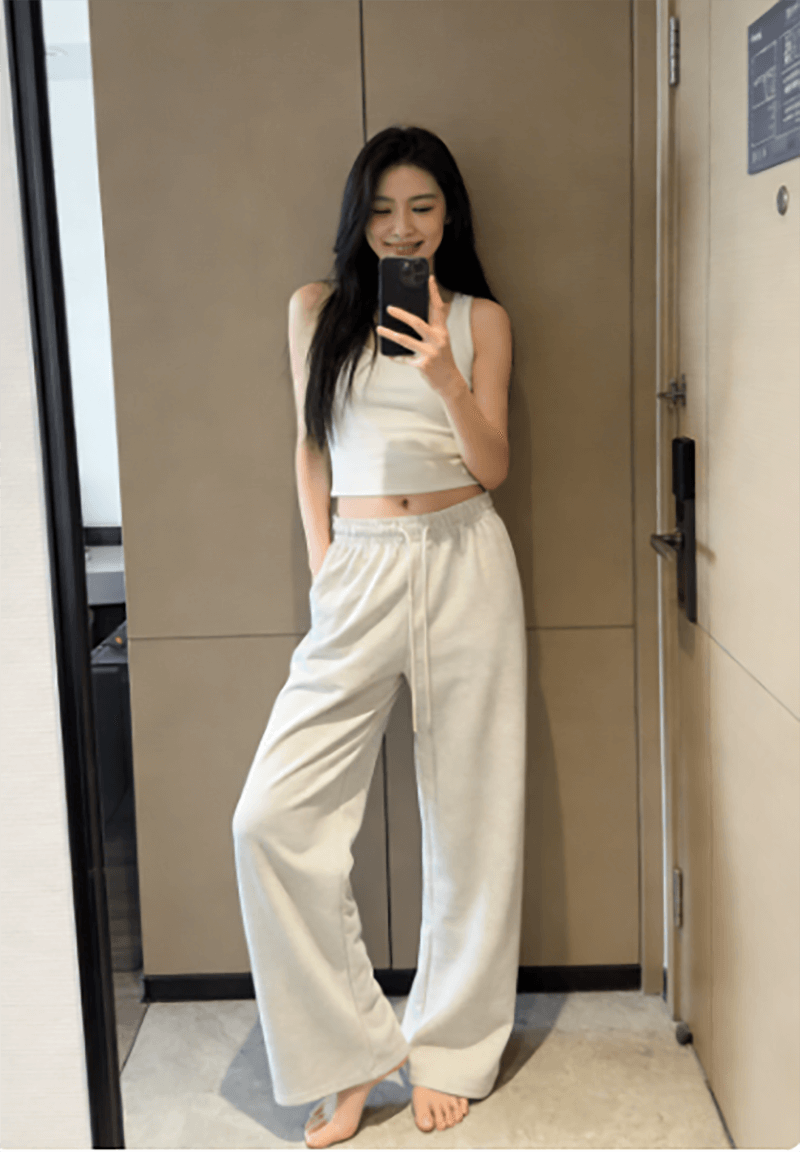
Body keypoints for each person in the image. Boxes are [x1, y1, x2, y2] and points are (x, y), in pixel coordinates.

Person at [232, 125, 527, 1149]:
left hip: (463, 555)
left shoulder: (481, 319)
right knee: (268, 820)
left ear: (450, 216)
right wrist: (326, 569)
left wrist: (445, 372)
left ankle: (449, 1047)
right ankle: (350, 1051)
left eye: (422, 208)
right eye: (383, 209)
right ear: (358, 218)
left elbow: (493, 466)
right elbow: (310, 450)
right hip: (357, 565)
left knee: (475, 817)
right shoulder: (315, 311)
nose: (402, 228)